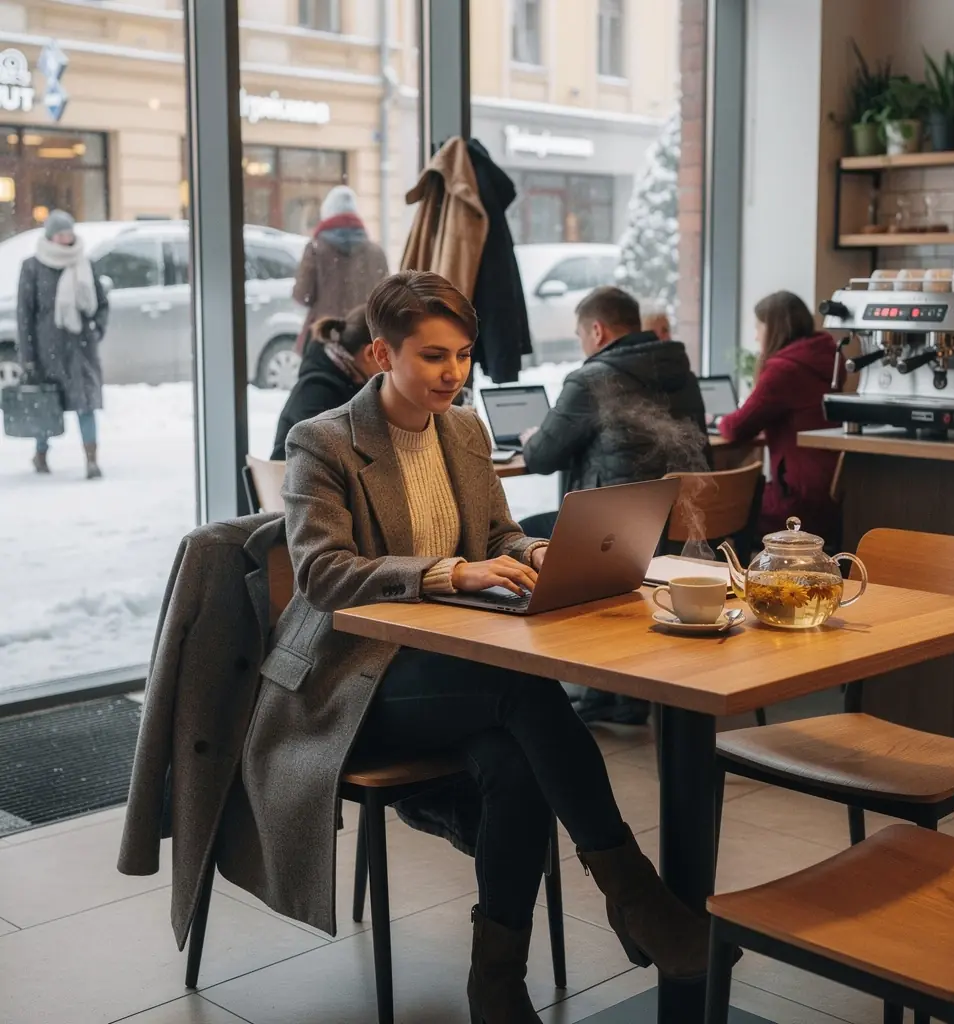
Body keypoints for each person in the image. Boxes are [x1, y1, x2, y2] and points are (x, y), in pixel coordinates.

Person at [280, 270, 710, 1023]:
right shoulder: (323, 442)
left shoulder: (465, 430)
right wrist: (451, 572)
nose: (455, 374)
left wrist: (532, 552)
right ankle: (634, 894)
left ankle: (497, 982)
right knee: (524, 689)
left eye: (464, 355)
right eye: (435, 357)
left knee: (515, 764)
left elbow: (498, 533)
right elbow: (320, 573)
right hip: (360, 684)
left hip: (456, 672)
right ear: (383, 354)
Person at [519, 285, 708, 726]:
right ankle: (618, 691)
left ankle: (581, 680)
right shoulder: (679, 368)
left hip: (619, 532)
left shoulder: (592, 378)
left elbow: (542, 456)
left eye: (581, 335)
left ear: (598, 331)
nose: (584, 344)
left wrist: (530, 438)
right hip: (677, 525)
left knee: (522, 535)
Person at [718, 290, 843, 547]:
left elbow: (736, 428)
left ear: (773, 328)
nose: (755, 335)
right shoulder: (828, 357)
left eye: (758, 327)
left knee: (725, 511)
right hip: (830, 494)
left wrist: (717, 420)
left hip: (797, 501)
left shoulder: (784, 370)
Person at [17, 209, 109, 479]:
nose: (66, 238)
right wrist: (29, 357)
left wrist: (96, 328)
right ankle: (41, 454)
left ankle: (91, 460)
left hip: (81, 350)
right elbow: (25, 314)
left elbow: (102, 304)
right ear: (50, 236)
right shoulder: (32, 266)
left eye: (69, 233)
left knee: (86, 404)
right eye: (60, 234)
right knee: (47, 406)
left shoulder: (85, 263)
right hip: (48, 350)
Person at [270, 305, 378, 461]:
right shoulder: (317, 390)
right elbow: (333, 458)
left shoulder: (341, 380)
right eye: (386, 354)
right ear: (370, 353)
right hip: (299, 482)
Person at [292, 186, 389, 349]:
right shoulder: (376, 253)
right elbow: (386, 300)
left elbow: (302, 295)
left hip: (326, 338)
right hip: (366, 341)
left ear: (327, 214)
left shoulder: (316, 249)